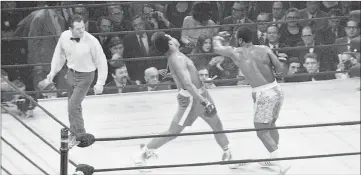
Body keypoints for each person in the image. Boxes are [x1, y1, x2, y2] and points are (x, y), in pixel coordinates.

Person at [132, 32, 237, 170]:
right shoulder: (176, 59)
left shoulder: (176, 51)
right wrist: (204, 101)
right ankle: (143, 154)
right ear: (170, 43)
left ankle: (228, 154)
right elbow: (187, 84)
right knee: (173, 132)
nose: (174, 38)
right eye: (171, 37)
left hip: (200, 94)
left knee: (216, 124)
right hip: (191, 99)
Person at [212, 27, 291, 174]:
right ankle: (273, 158)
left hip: (263, 93)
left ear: (240, 40)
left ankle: (281, 163)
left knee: (261, 131)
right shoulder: (265, 49)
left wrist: (218, 37)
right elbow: (280, 70)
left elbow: (217, 48)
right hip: (276, 89)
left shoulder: (235, 52)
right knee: (271, 124)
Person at [46, 14, 108, 148]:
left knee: (73, 106)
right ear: (70, 29)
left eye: (83, 27)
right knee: (73, 105)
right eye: (78, 29)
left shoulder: (92, 41)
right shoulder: (64, 36)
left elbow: (101, 61)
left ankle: (80, 135)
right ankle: (73, 133)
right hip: (71, 74)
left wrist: (100, 82)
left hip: (86, 76)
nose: (82, 31)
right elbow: (59, 55)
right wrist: (53, 71)